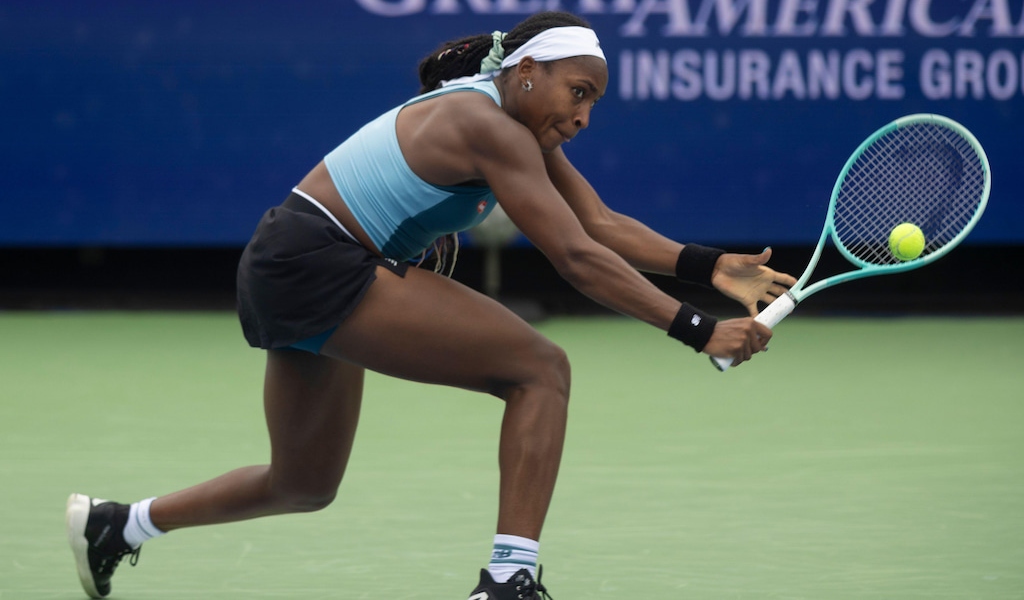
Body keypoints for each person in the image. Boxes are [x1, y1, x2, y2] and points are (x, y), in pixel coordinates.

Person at [66, 11, 796, 600]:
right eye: (579, 92)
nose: (583, 116)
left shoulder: (512, 122)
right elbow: (574, 257)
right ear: (528, 73)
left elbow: (599, 224)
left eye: (594, 103)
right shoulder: (488, 124)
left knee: (302, 483)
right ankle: (508, 581)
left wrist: (708, 265)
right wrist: (696, 328)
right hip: (319, 261)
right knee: (541, 370)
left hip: (283, 261)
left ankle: (120, 526)